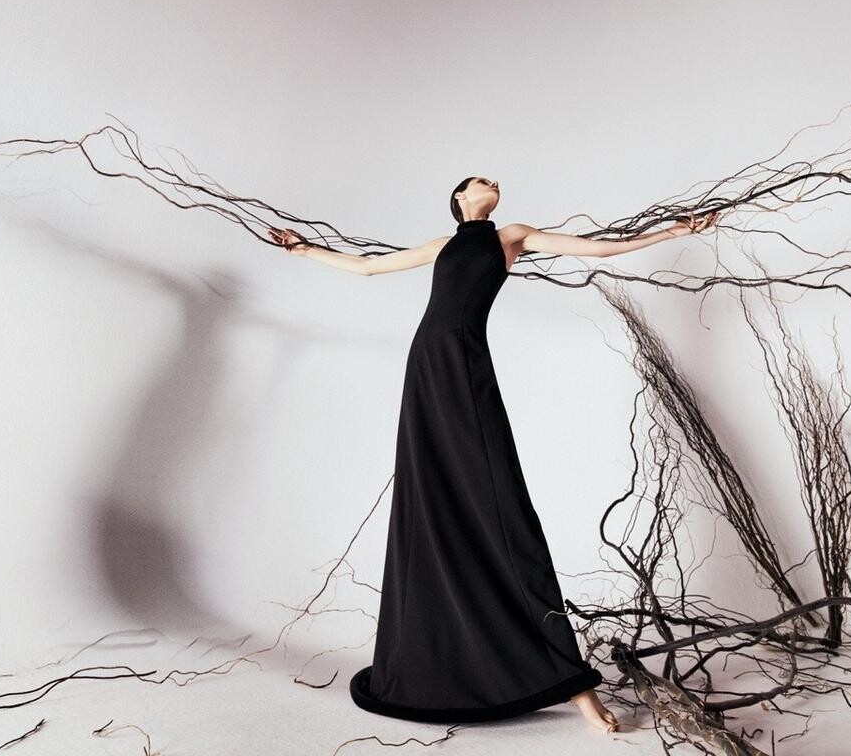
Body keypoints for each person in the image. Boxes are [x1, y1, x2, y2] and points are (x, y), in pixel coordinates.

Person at [272, 178, 717, 735]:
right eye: (481, 180)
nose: (494, 182)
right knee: (434, 499)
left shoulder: (512, 236)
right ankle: (449, 659)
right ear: (461, 198)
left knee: (500, 504)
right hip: (427, 365)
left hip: (464, 361)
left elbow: (600, 249)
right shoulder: (443, 244)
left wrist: (671, 232)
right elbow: (367, 268)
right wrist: (303, 250)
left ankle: (566, 679)